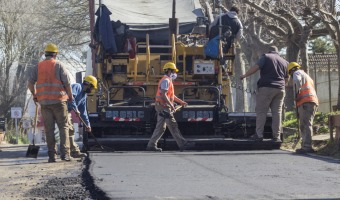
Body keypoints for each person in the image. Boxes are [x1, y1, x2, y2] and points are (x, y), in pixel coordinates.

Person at [28, 43, 73, 162]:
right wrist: (71, 97)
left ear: (45, 54)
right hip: (59, 101)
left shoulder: (38, 66)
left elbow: (30, 83)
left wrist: (34, 95)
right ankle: (65, 154)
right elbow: (67, 83)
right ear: (55, 54)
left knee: (49, 129)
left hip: (44, 103)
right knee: (63, 127)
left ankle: (52, 155)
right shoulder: (59, 65)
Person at [240, 46, 289, 142]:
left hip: (267, 87)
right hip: (280, 89)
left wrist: (244, 75)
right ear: (277, 52)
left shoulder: (266, 57)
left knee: (261, 111)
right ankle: (276, 136)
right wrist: (283, 86)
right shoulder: (285, 62)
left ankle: (259, 135)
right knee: (277, 113)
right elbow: (287, 78)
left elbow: (256, 67)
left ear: (269, 51)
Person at [146, 62, 195, 152]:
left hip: (162, 106)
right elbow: (164, 95)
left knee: (160, 127)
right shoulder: (166, 81)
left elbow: (172, 96)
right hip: (164, 107)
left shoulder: (168, 80)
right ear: (168, 71)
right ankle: (183, 144)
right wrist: (171, 105)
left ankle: (151, 145)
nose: (175, 73)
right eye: (173, 71)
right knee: (172, 125)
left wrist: (181, 102)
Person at [288, 62, 319, 154]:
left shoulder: (297, 73)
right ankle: (305, 145)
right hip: (311, 101)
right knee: (305, 124)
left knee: (306, 124)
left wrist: (298, 93)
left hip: (305, 102)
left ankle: (307, 147)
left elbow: (297, 81)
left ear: (291, 70)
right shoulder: (306, 75)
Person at [67, 75, 98, 158]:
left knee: (69, 130)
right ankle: (73, 151)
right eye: (92, 88)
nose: (92, 90)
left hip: (67, 112)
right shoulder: (77, 87)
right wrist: (76, 109)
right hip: (61, 108)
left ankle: (69, 151)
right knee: (69, 130)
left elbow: (83, 112)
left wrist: (88, 125)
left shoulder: (83, 96)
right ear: (88, 84)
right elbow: (71, 97)